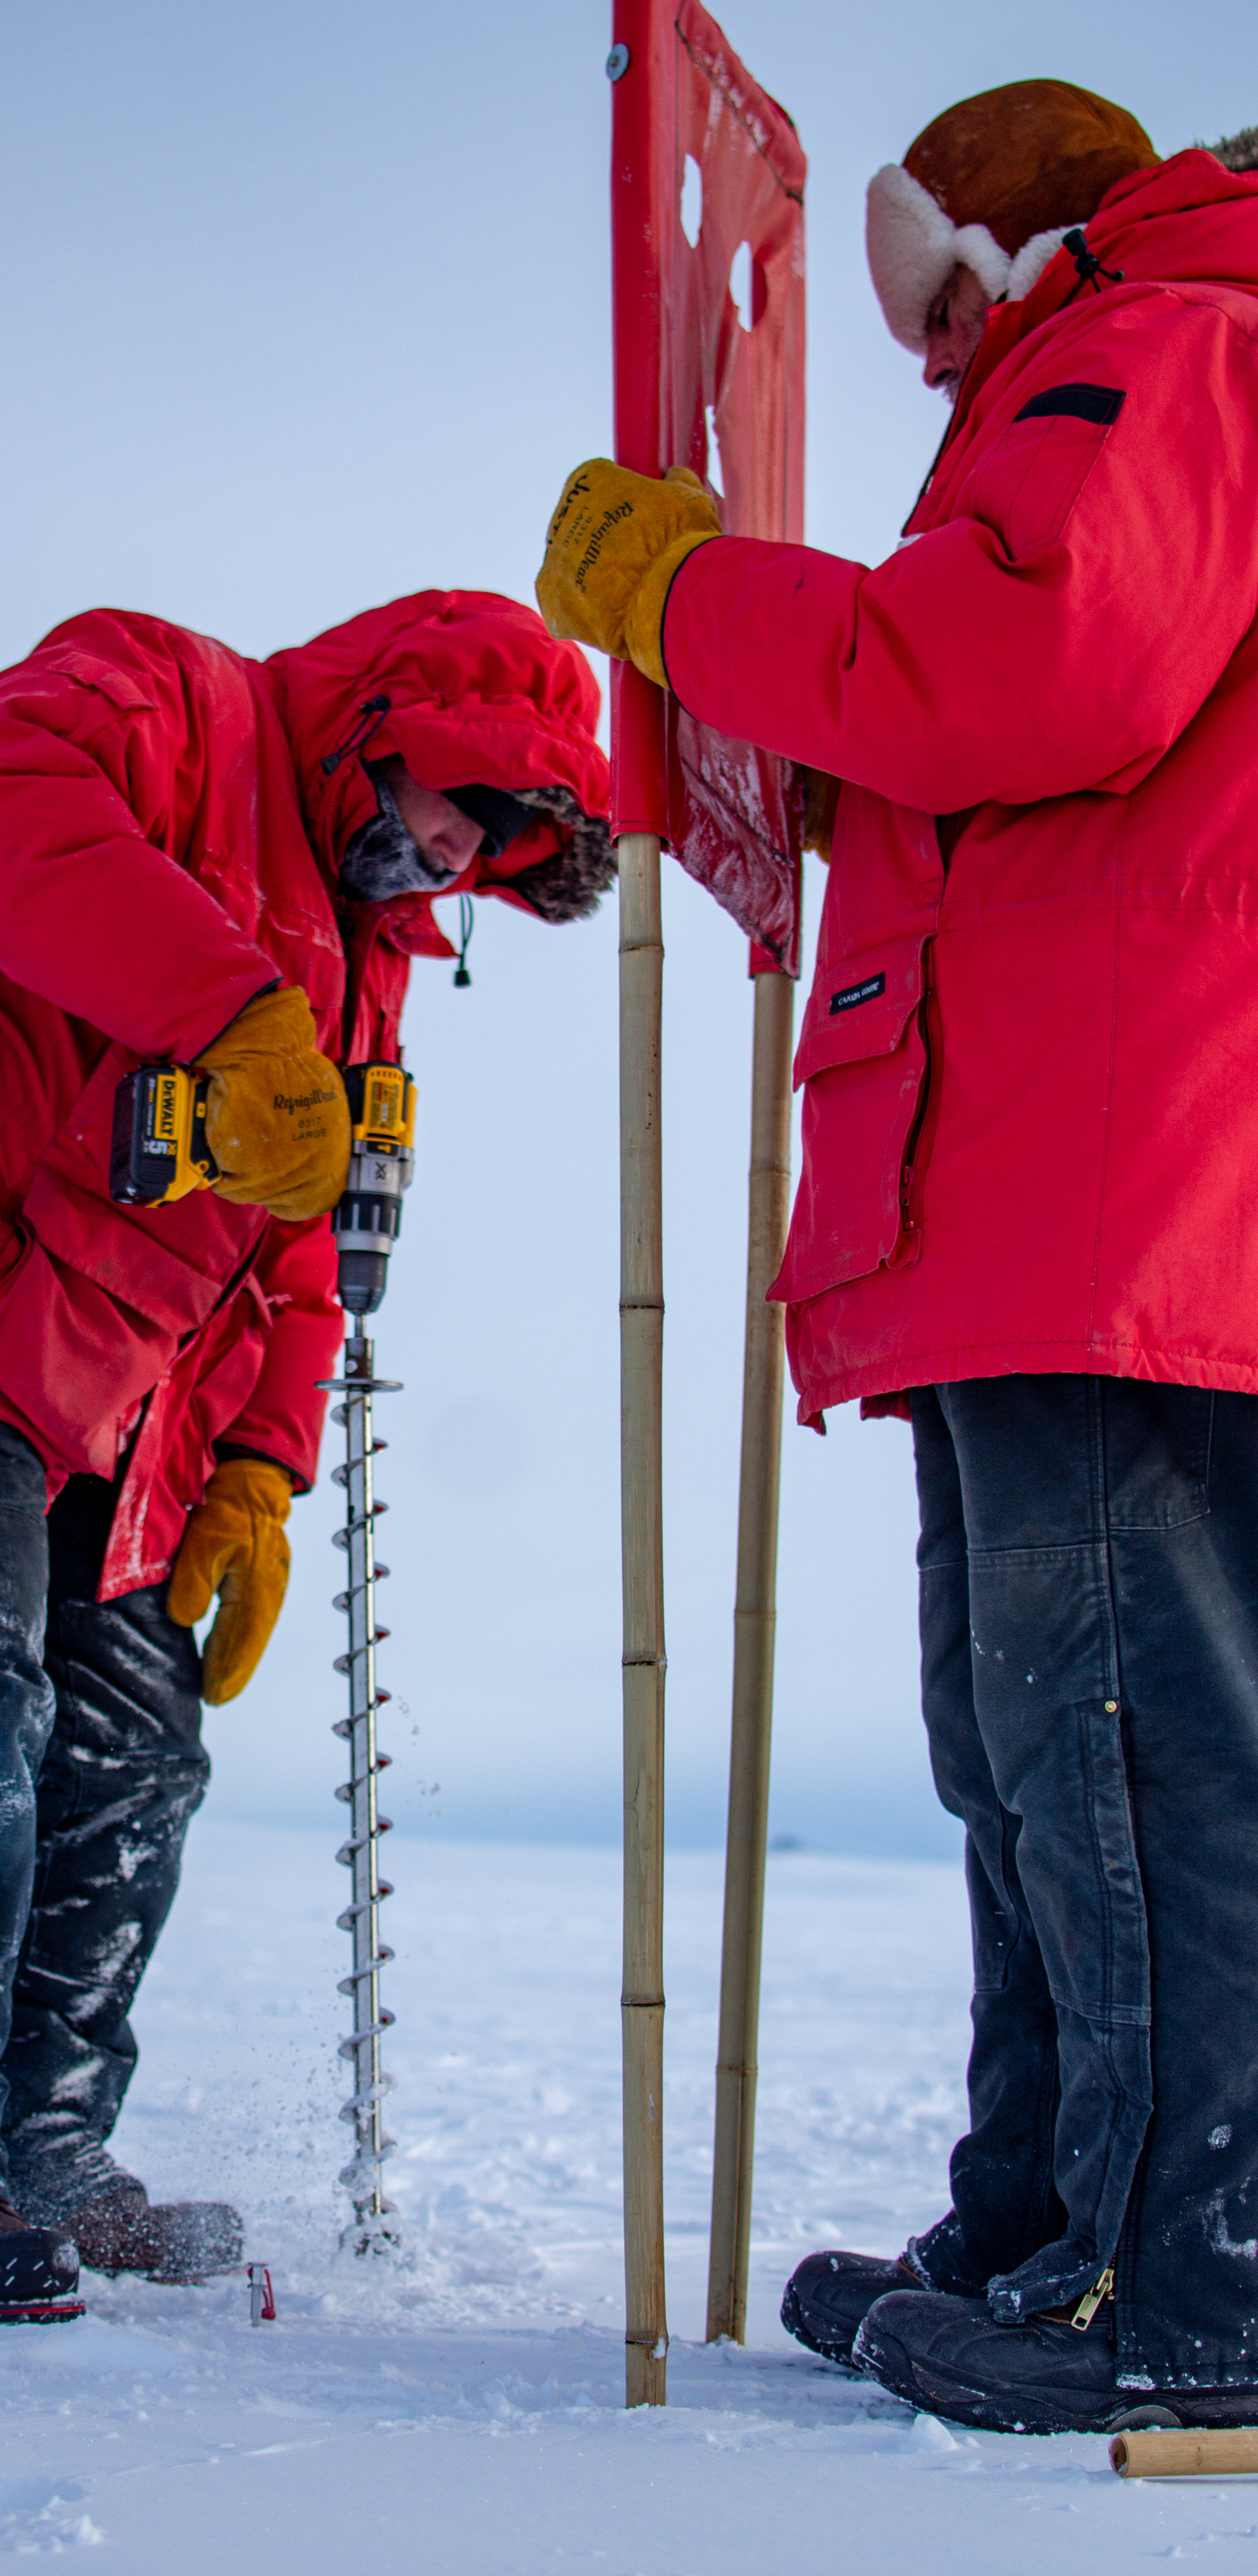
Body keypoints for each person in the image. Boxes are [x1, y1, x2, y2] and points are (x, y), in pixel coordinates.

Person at [536, 82, 1258, 2433]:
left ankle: (1184, 2286)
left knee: (1123, 1753)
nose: (930, 363)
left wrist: (681, 588)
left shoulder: (1154, 344)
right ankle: (1052, 2220)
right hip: (1060, 1188)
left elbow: (1020, 666)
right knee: (1028, 1738)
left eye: (937, 301)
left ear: (1023, 244)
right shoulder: (1110, 362)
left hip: (1121, 1182)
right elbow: (970, 737)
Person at [0, 590, 612, 2321]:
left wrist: (261, 1468)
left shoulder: (372, 961)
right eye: (465, 803)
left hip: (123, 1363)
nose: (456, 854)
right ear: (391, 725)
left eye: (495, 846)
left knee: (129, 1745)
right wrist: (232, 1008)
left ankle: (41, 2148)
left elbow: (313, 1240)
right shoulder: (156, 695)